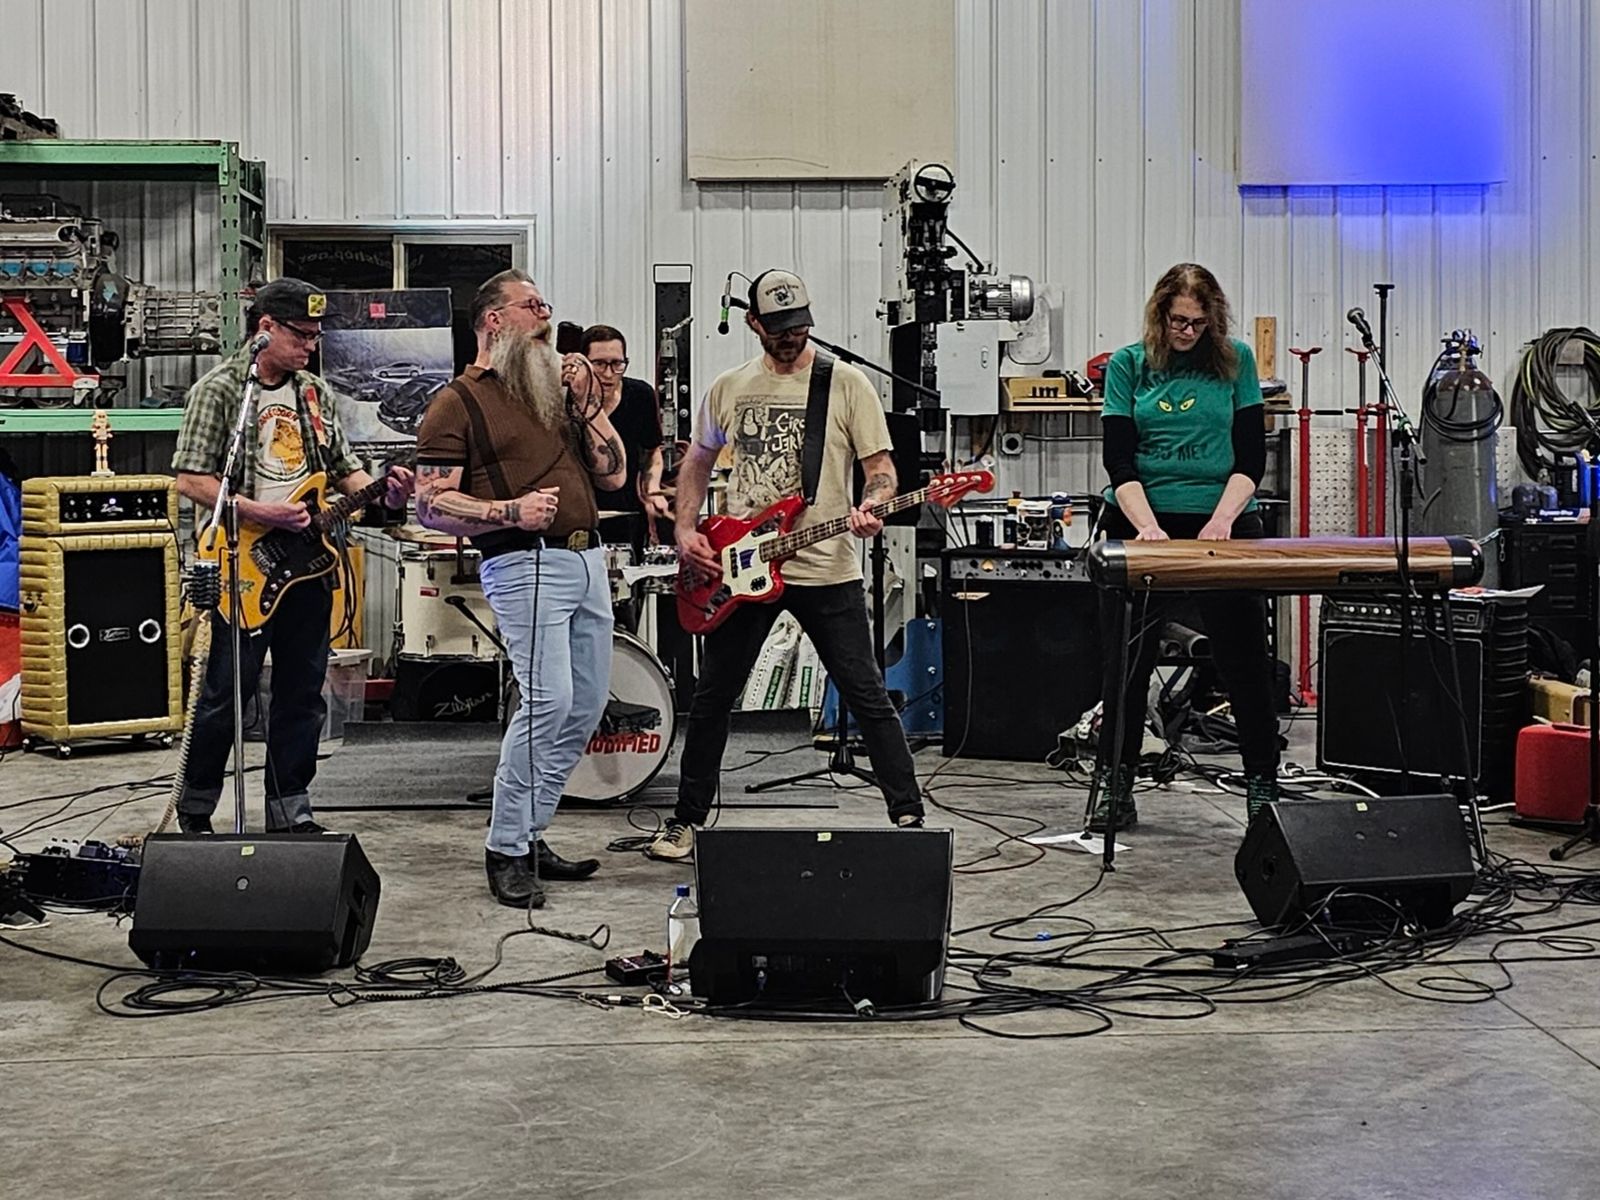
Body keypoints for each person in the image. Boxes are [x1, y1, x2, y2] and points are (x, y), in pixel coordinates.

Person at [646, 269, 925, 861]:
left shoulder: (845, 384)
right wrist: (686, 528)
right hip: (740, 567)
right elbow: (697, 460)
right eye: (778, 328)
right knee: (713, 698)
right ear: (754, 323)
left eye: (799, 325)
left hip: (827, 567)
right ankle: (686, 820)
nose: (791, 337)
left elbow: (881, 470)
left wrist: (872, 504)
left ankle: (909, 816)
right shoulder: (730, 387)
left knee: (866, 693)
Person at [414, 269, 628, 907]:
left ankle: (531, 831)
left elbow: (614, 476)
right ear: (494, 320)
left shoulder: (547, 395)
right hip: (524, 561)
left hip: (586, 560)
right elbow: (429, 504)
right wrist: (507, 511)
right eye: (531, 305)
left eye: (545, 304)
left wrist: (588, 403)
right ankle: (506, 846)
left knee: (585, 706)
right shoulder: (457, 402)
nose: (545, 316)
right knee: (548, 702)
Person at [172, 277, 414, 835]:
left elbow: (344, 470)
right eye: (301, 335)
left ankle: (290, 811)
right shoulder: (220, 390)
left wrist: (384, 491)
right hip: (242, 563)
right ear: (266, 329)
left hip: (308, 564)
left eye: (315, 336)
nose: (311, 345)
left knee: (302, 693)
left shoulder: (315, 394)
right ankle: (197, 809)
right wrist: (262, 512)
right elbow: (191, 480)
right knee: (224, 694)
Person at [1091, 262, 1280, 832]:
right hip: (1142, 519)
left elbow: (1251, 458)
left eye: (1197, 323)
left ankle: (1262, 786)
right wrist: (1148, 529)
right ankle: (1117, 784)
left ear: (1212, 320)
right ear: (1160, 314)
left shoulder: (1236, 361)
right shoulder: (1128, 365)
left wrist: (1222, 521)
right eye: (1178, 321)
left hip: (1223, 519)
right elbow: (1119, 460)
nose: (1187, 332)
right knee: (1126, 666)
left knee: (1246, 663)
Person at [580, 323, 669, 557]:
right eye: (599, 364)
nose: (609, 374)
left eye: (617, 364)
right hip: (579, 518)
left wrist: (652, 490)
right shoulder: (566, 402)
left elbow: (652, 453)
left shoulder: (640, 396)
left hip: (627, 515)